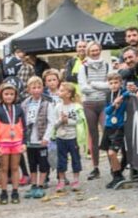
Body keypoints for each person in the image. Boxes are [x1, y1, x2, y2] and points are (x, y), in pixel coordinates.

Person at [77, 41, 110, 180]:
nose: (95, 53)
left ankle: (113, 166)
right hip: (89, 104)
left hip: (103, 103)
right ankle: (95, 167)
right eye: (92, 51)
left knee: (107, 131)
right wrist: (101, 86)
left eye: (97, 50)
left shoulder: (107, 65)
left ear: (100, 50)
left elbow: (110, 85)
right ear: (88, 52)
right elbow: (83, 87)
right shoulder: (83, 67)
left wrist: (95, 84)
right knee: (94, 136)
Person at [0, 84, 25, 205]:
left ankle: (15, 191)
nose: (9, 96)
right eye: (6, 94)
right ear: (1, 95)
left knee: (15, 168)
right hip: (3, 143)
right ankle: (4, 192)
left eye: (11, 94)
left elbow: (24, 127)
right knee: (4, 168)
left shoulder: (19, 109)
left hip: (17, 142)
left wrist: (24, 142)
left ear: (15, 96)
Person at [21, 77, 53, 198]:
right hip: (30, 139)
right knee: (32, 163)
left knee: (43, 163)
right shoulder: (25, 104)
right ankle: (33, 185)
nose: (36, 90)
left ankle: (40, 185)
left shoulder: (46, 103)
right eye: (33, 88)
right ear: (29, 89)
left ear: (42, 88)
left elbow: (51, 121)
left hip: (41, 138)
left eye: (39, 87)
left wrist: (46, 137)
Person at [53, 82, 86, 192]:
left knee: (75, 159)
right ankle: (61, 181)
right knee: (61, 160)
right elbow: (54, 124)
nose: (59, 92)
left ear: (68, 94)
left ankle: (76, 180)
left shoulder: (75, 107)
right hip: (60, 138)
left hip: (73, 138)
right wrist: (60, 121)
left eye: (62, 90)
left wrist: (68, 120)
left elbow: (78, 121)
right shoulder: (58, 107)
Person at [102, 72, 131, 189]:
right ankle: (116, 176)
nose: (114, 85)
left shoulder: (124, 93)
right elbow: (107, 111)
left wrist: (123, 96)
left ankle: (118, 174)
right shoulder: (108, 94)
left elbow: (130, 92)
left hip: (120, 126)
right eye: (111, 83)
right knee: (109, 153)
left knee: (113, 152)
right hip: (109, 125)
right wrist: (114, 104)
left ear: (120, 83)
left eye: (116, 82)